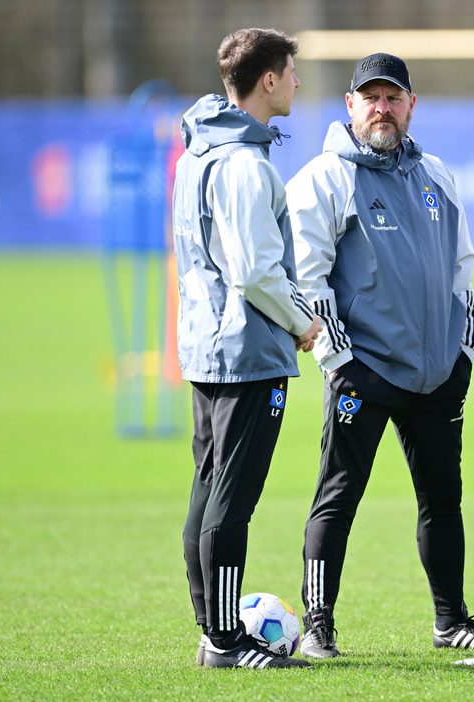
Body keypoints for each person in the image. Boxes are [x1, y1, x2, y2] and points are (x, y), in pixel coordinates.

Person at [285, 52, 474, 658]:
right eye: (371, 97)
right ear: (350, 106)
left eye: (394, 97)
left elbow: (462, 268)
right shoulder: (324, 178)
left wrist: (463, 353)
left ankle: (451, 620)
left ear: (412, 104)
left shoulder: (436, 173)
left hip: (437, 375)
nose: (382, 108)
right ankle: (317, 625)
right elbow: (308, 280)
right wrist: (341, 364)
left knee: (443, 498)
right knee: (339, 496)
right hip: (365, 371)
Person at [172, 27, 322, 670]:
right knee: (231, 497)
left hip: (206, 345)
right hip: (246, 350)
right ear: (268, 80)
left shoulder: (200, 153)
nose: (296, 83)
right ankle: (225, 642)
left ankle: (215, 630)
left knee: (208, 489)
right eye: (290, 73)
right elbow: (254, 271)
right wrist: (302, 321)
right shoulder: (243, 164)